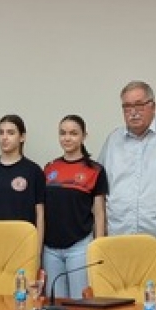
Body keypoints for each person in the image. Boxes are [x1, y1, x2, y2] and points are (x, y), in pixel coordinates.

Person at [97, 81, 156, 297]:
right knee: (124, 305)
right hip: (121, 240)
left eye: (139, 105)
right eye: (127, 107)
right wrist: (101, 232)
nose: (133, 112)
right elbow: (100, 190)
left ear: (153, 106)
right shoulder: (113, 141)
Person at [43, 115, 108, 299]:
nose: (67, 138)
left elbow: (99, 213)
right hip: (50, 249)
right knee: (55, 304)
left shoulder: (95, 170)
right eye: (63, 133)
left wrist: (98, 247)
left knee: (80, 303)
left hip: (79, 246)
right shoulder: (49, 168)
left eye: (73, 133)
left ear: (83, 136)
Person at [0, 115, 45, 247]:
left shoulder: (33, 171)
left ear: (22, 137)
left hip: (22, 243)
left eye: (11, 133)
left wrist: (37, 250)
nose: (4, 137)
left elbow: (40, 214)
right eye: (1, 132)